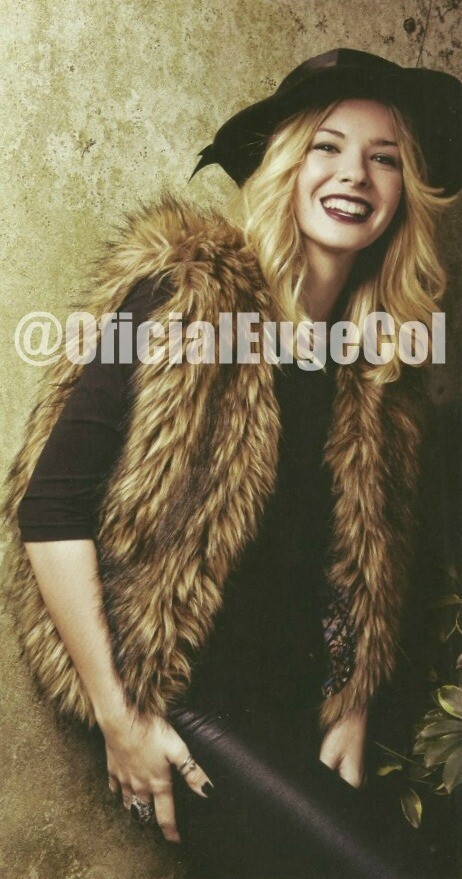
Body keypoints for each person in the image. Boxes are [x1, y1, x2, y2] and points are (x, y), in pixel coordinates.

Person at [3, 48, 462, 879]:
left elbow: (368, 560)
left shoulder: (380, 369)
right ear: (286, 164)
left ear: (405, 193)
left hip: (301, 705)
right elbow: (50, 509)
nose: (353, 174)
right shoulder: (187, 295)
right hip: (184, 699)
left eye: (384, 158)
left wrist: (353, 701)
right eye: (327, 146)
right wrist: (121, 717)